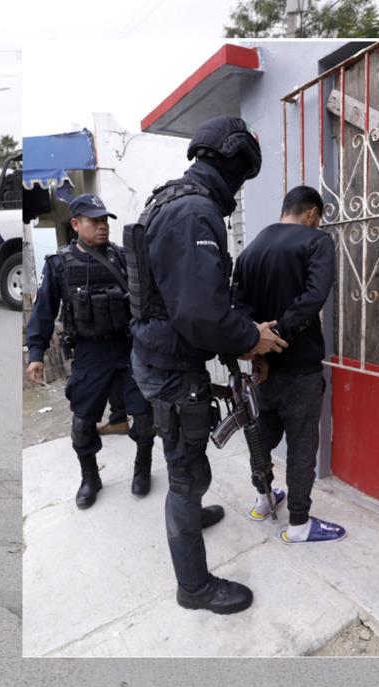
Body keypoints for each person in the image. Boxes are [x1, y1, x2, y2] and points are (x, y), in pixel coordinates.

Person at [127, 115, 288, 615]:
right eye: (242, 174)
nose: (240, 189)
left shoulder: (172, 199)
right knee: (184, 474)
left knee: (189, 469)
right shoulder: (195, 212)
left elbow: (195, 298)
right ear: (231, 163)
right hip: (171, 369)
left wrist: (240, 342)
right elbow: (199, 312)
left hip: (162, 356)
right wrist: (250, 338)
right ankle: (193, 588)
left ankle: (192, 515)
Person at [233, 184, 347, 543]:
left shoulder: (249, 250)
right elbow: (314, 295)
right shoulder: (316, 242)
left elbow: (237, 308)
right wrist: (280, 332)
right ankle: (299, 524)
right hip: (300, 367)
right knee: (301, 444)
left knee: (263, 435)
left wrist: (260, 346)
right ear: (312, 214)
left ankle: (263, 499)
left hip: (263, 366)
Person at [26, 193, 155, 509]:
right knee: (83, 423)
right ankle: (90, 477)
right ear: (75, 224)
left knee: (144, 417)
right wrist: (36, 354)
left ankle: (142, 468)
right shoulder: (59, 265)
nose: (102, 227)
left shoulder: (124, 258)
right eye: (93, 221)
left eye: (104, 221)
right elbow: (43, 310)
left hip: (129, 349)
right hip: (89, 353)